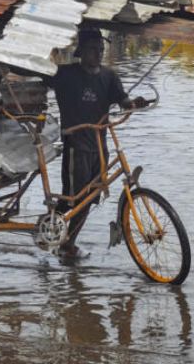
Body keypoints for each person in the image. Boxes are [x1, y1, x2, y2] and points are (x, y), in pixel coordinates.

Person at [47, 27, 150, 259]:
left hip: (99, 147)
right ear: (81, 51)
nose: (99, 53)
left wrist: (134, 103)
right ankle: (55, 229)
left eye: (101, 49)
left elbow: (123, 101)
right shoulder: (66, 75)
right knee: (74, 198)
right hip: (76, 146)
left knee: (89, 199)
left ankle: (67, 243)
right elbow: (40, 73)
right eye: (93, 49)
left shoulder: (109, 76)